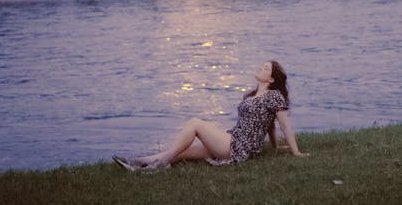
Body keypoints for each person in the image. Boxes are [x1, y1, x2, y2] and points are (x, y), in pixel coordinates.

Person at [112, 59, 308, 171]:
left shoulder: (274, 96)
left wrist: (295, 152)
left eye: (266, 68)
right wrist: (274, 146)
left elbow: (284, 125)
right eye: (262, 65)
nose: (260, 67)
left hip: (238, 146)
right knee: (182, 151)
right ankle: (138, 162)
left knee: (196, 123)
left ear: (272, 79)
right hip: (232, 138)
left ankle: (160, 164)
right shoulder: (250, 95)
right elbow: (268, 126)